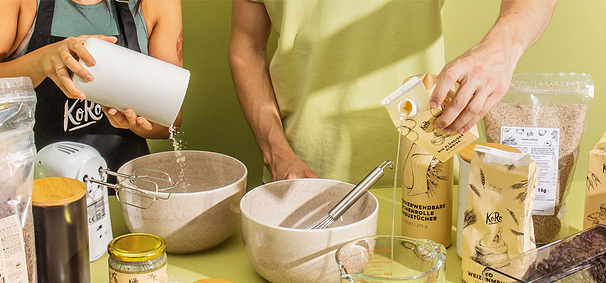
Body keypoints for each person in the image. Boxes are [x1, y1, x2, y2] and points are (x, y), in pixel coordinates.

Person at [229, 0, 557, 185]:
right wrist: (276, 153)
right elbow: (247, 48)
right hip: (306, 180)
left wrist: (503, 46)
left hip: (429, 181)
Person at [0, 0, 183, 174]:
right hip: (25, 194)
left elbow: (170, 122)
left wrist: (138, 124)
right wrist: (41, 62)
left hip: (122, 195)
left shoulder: (154, 4)